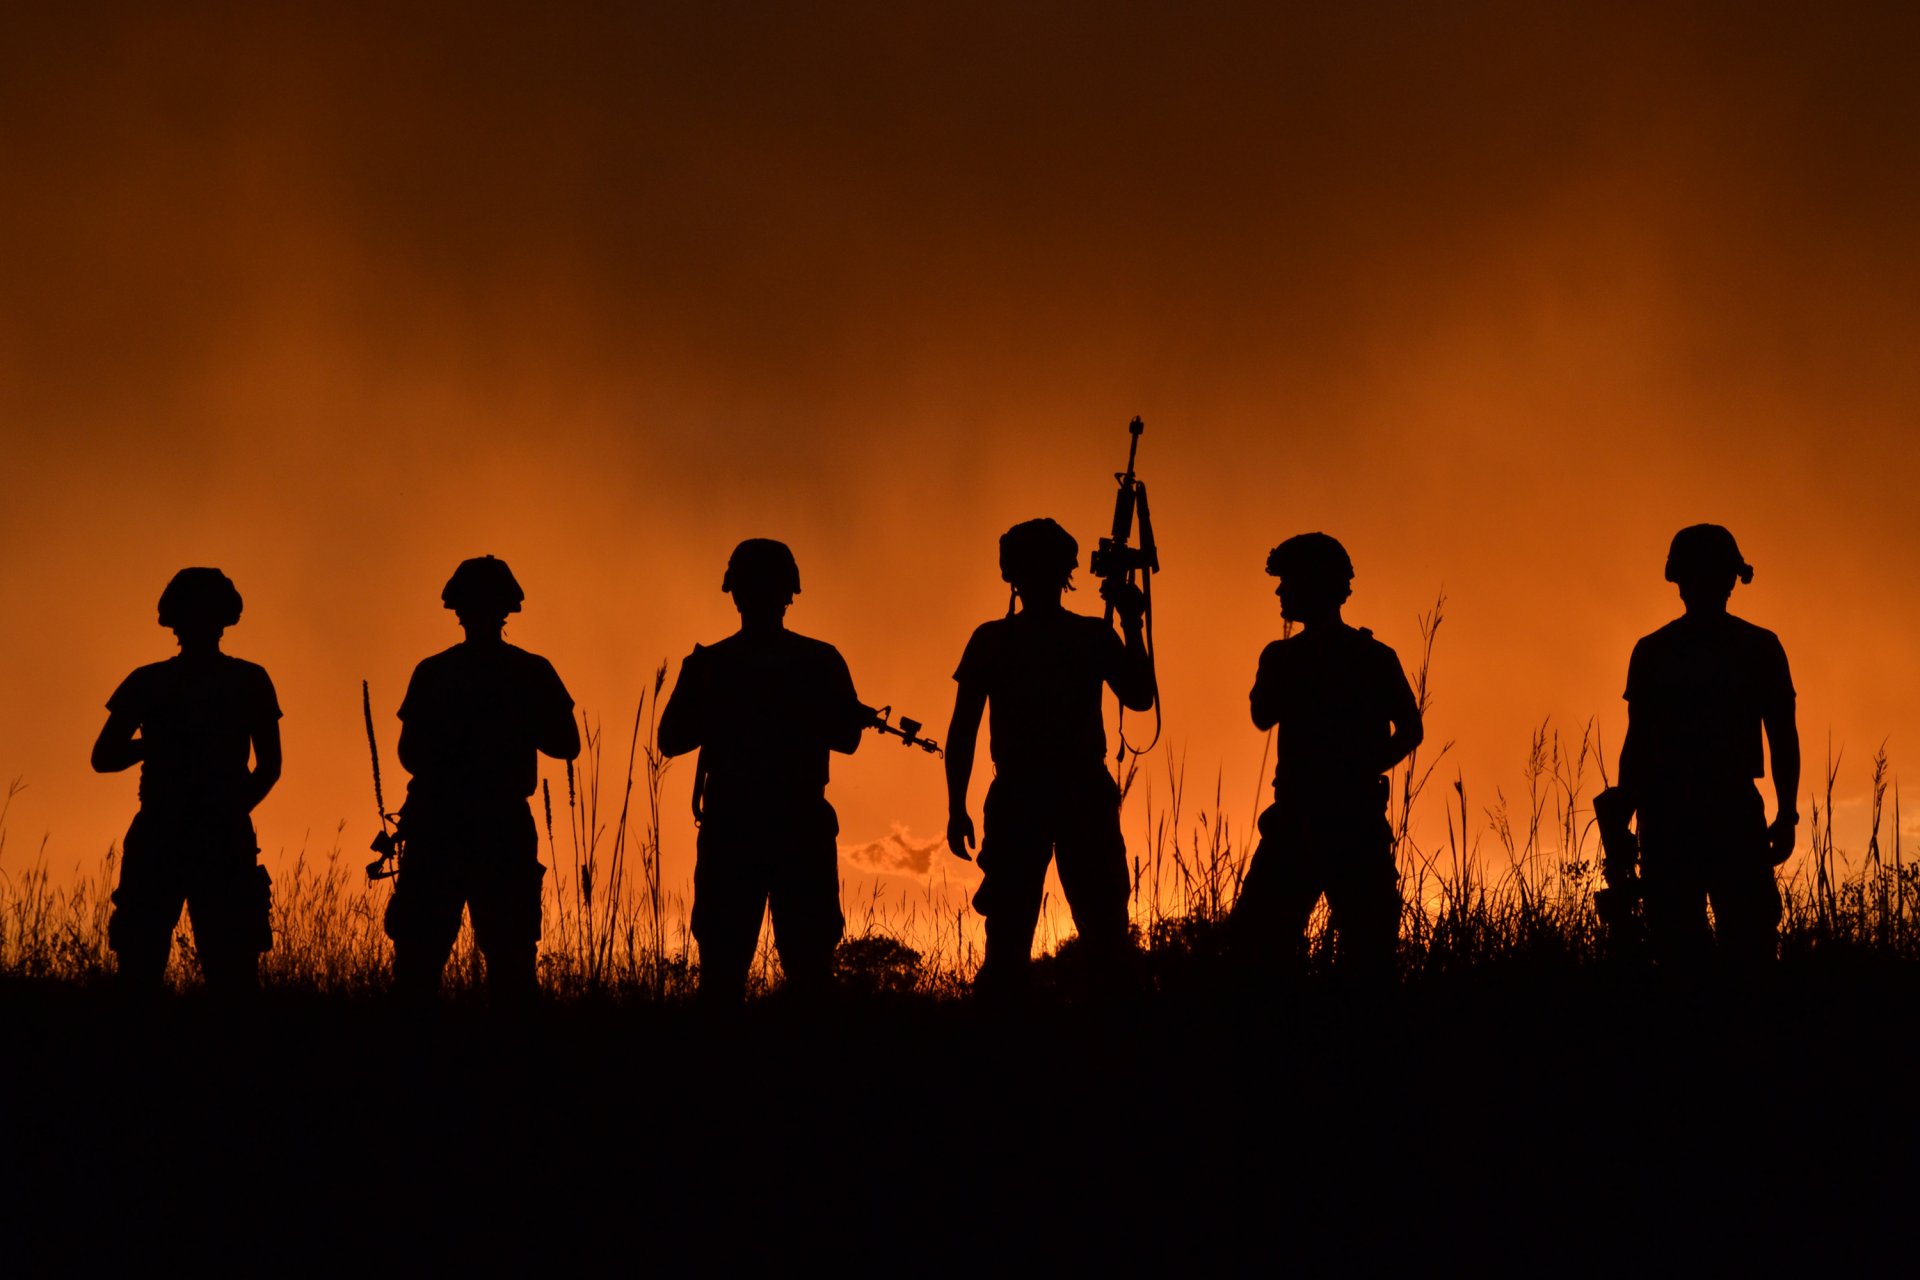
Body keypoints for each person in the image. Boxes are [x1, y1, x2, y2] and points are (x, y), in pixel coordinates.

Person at [944, 518, 1155, 996]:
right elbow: (1140, 696)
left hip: (1043, 794)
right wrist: (1130, 624)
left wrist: (1130, 624)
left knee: (1078, 932)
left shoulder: (1000, 639)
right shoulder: (1076, 637)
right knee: (1052, 933)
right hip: (1055, 793)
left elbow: (963, 732)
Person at [657, 539, 867, 1003]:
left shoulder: (715, 664)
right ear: (790, 591)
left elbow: (670, 740)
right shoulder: (813, 660)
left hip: (752, 825)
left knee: (760, 968)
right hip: (771, 824)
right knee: (760, 968)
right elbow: (671, 740)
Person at [1228, 533, 1422, 984]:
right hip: (1326, 819)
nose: (1279, 593)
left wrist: (1360, 770)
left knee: (1356, 949)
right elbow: (1410, 731)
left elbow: (1411, 729)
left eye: (1287, 582)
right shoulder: (1363, 655)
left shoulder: (1323, 656)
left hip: (1332, 820)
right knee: (1270, 944)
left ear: (1313, 585)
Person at [385, 555, 579, 1002]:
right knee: (505, 965)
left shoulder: (434, 671)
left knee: (421, 964)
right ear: (509, 608)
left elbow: (408, 753)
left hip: (444, 826)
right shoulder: (529, 671)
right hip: (494, 827)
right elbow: (567, 744)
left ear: (456, 608)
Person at [1614, 524, 1799, 971]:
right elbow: (1783, 737)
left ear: (1676, 578)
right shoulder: (1759, 647)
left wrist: (1623, 820)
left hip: (1670, 818)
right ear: (1733, 579)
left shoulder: (1653, 652)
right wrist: (1786, 813)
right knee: (1746, 952)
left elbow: (1636, 745)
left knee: (1683, 954)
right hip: (1727, 813)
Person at [92, 568, 282, 995]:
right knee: (166, 964)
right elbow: (103, 758)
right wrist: (229, 812)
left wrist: (228, 813)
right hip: (179, 832)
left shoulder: (154, 681)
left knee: (222, 967)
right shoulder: (243, 679)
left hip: (182, 832)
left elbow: (270, 766)